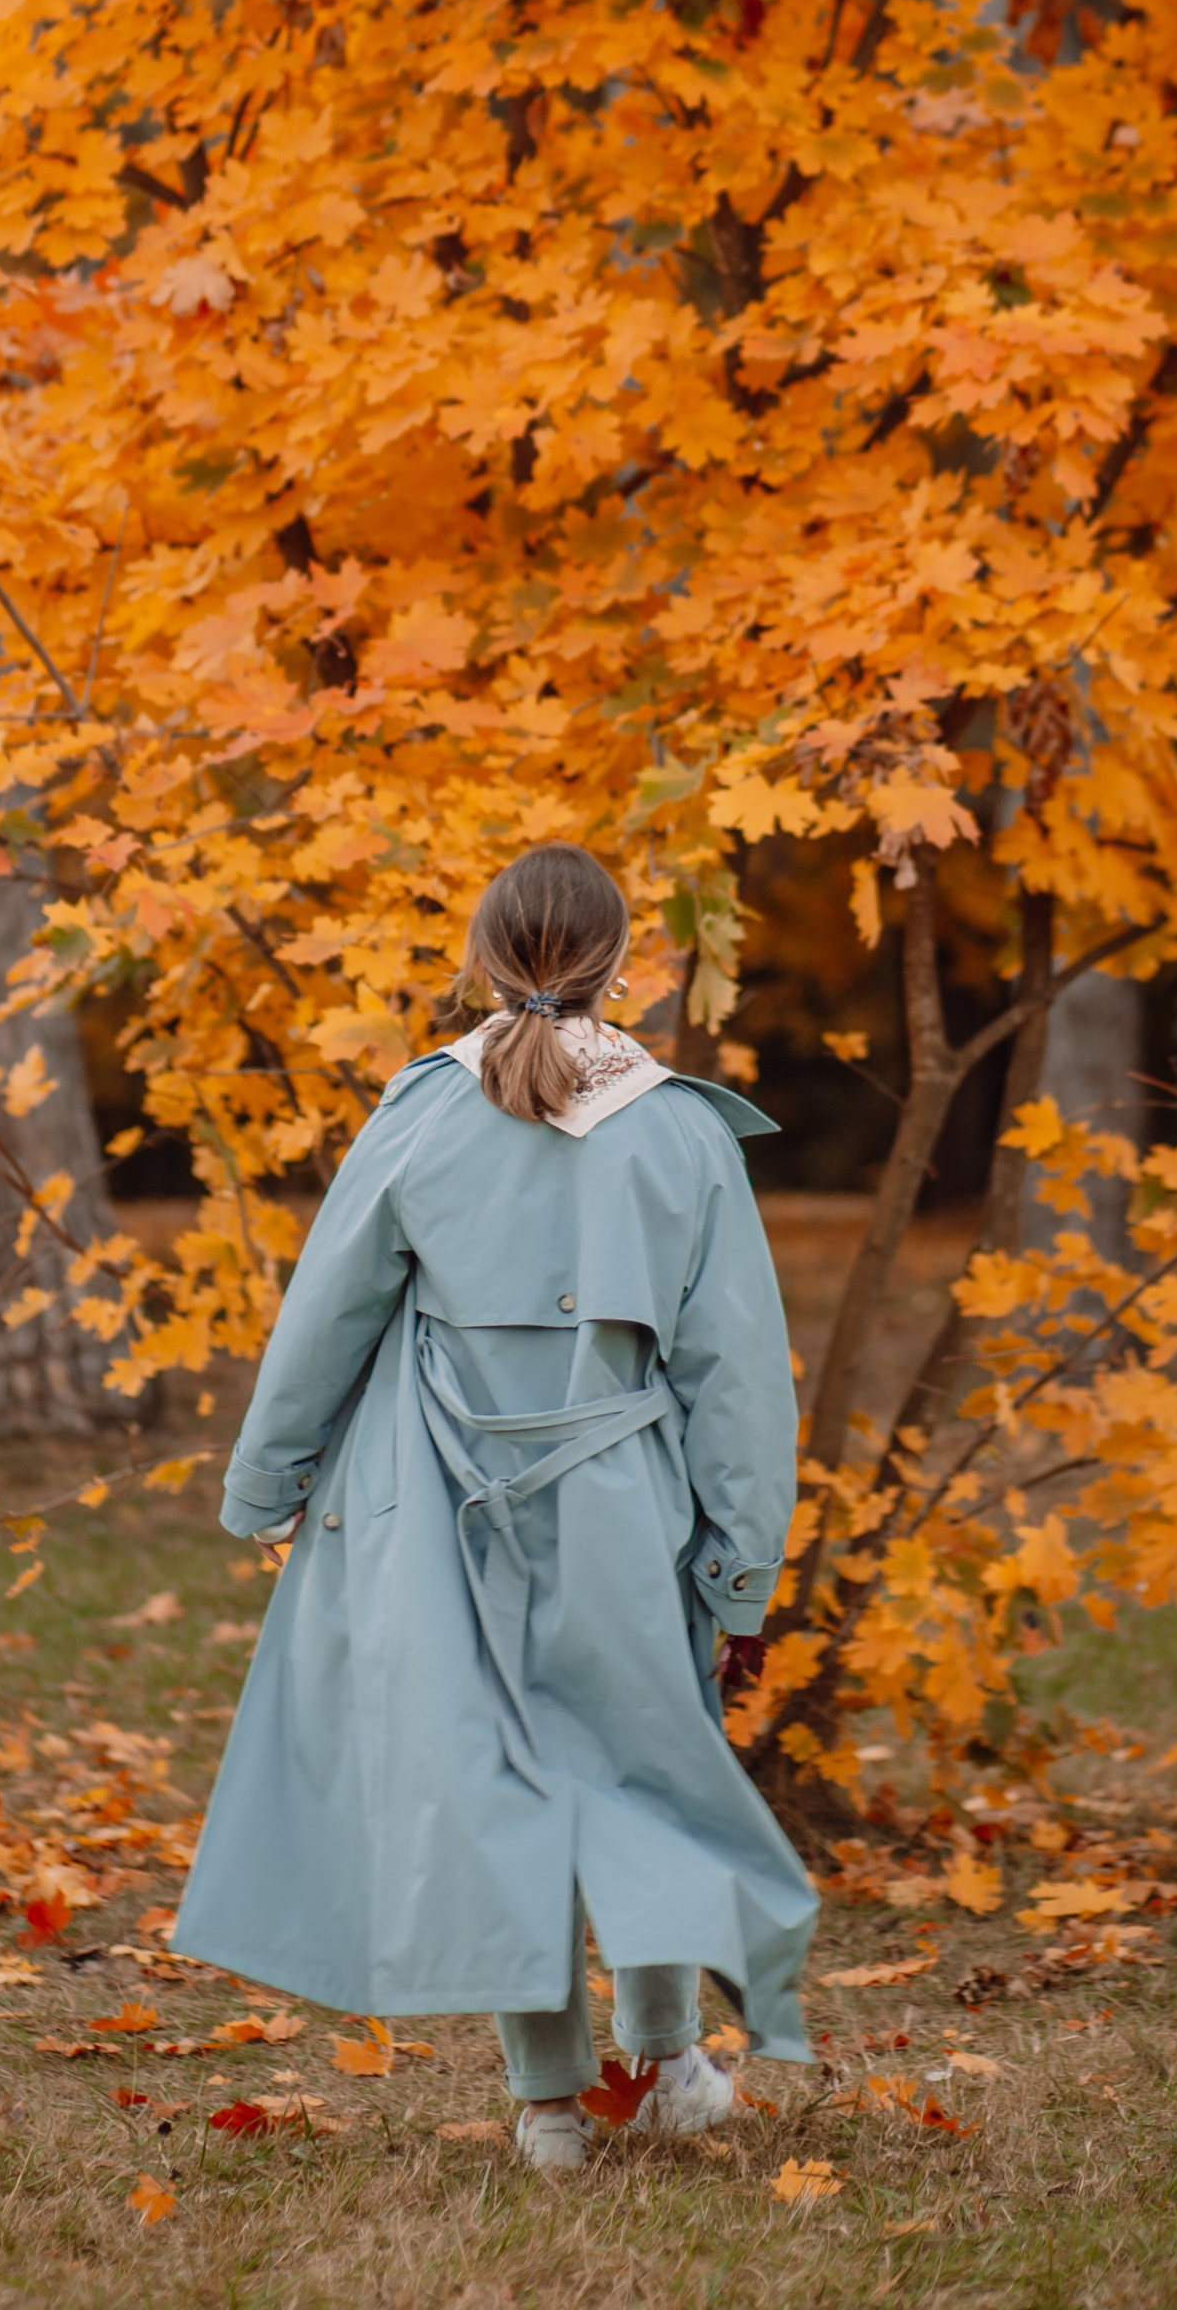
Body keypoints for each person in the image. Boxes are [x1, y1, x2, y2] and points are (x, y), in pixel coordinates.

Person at [172, 839, 816, 2174]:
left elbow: (325, 1316)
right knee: (643, 1774)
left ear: (481, 955)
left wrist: (267, 1485)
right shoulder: (683, 1130)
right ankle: (670, 2060)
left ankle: (545, 2110)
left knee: (498, 1790)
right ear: (619, 957)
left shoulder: (420, 1111)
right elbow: (739, 1373)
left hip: (441, 1516)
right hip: (626, 1508)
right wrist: (741, 1565)